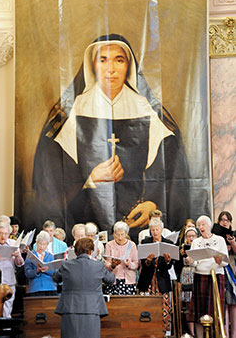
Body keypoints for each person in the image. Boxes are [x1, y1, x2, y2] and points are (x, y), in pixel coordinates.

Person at [32, 33, 191, 244]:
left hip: (137, 222)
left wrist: (153, 204)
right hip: (86, 217)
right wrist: (91, 179)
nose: (111, 69)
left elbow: (171, 170)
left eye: (119, 60)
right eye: (103, 60)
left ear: (129, 66)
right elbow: (51, 177)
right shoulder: (73, 110)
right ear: (92, 65)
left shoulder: (147, 109)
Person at [52, 237, 115, 338]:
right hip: (92, 308)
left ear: (76, 252)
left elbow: (55, 278)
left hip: (70, 309)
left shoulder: (66, 265)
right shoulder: (98, 266)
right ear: (91, 251)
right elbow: (111, 279)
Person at [186, 215, 229, 338]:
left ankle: (217, 335)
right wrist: (190, 261)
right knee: (200, 311)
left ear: (209, 225)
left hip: (216, 276)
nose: (201, 227)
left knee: (216, 310)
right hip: (200, 276)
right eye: (199, 225)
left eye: (203, 224)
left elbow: (225, 262)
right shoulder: (196, 242)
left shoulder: (220, 240)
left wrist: (219, 260)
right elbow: (195, 263)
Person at [137, 216, 173, 334]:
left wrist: (168, 261)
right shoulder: (145, 242)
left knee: (164, 309)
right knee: (146, 308)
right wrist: (147, 261)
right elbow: (143, 263)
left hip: (162, 282)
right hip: (147, 281)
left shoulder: (168, 243)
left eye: (157, 229)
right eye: (153, 230)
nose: (155, 232)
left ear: (162, 230)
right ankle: (147, 332)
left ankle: (165, 333)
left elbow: (169, 266)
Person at [0, 222, 24, 317]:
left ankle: (6, 330)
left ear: (9, 234)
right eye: (0, 233)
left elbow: (20, 264)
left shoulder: (13, 244)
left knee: (7, 310)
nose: (3, 236)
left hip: (9, 281)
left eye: (5, 234)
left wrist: (18, 256)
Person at [213, 211, 236, 338]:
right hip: (219, 269)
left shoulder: (234, 235)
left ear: (230, 222)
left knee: (233, 302)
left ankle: (233, 334)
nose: (224, 222)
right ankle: (224, 333)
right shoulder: (215, 237)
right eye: (222, 219)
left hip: (232, 270)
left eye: (227, 220)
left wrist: (232, 243)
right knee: (224, 303)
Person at [103, 221, 138, 295]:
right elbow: (106, 264)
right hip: (113, 280)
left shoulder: (132, 245)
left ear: (126, 233)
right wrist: (112, 265)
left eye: (122, 234)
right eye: (117, 234)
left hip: (128, 281)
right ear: (114, 234)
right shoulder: (109, 245)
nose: (120, 237)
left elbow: (136, 264)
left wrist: (129, 264)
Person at [24, 231, 57, 296]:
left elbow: (54, 273)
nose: (41, 247)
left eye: (44, 244)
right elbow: (27, 273)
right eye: (40, 244)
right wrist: (37, 270)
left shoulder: (50, 256)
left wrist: (46, 269)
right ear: (36, 243)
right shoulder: (30, 255)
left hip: (50, 288)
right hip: (35, 288)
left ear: (47, 244)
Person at [179, 226, 198, 336]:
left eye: (193, 236)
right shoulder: (182, 248)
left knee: (196, 303)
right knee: (187, 304)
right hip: (186, 275)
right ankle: (190, 332)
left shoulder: (199, 247)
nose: (191, 238)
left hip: (196, 273)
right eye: (189, 236)